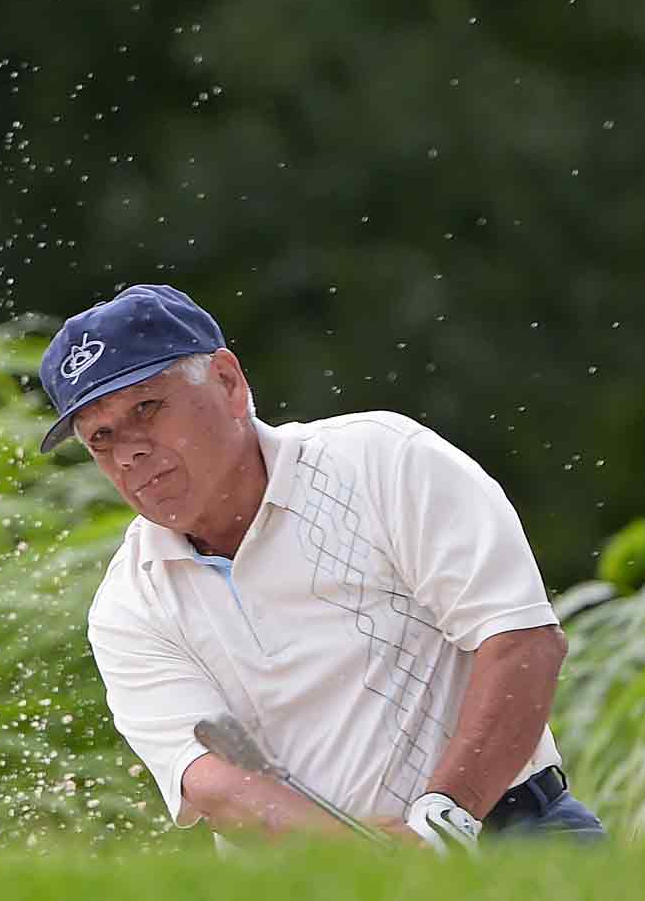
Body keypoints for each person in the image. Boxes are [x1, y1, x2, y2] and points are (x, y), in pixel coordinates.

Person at [38, 284, 606, 849]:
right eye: (102, 438)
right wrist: (363, 860)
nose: (129, 452)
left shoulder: (384, 461)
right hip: (311, 877)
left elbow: (522, 641)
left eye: (147, 408)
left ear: (229, 384)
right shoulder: (130, 602)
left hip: (512, 833)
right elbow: (214, 783)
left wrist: (443, 823)